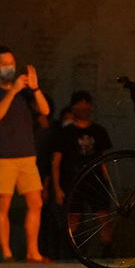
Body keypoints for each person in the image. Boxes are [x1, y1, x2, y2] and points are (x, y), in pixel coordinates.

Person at [0, 48, 51, 262]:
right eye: (4, 63)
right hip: (3, 154)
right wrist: (12, 91)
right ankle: (6, 253)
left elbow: (45, 110)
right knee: (4, 203)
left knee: (36, 202)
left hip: (26, 154)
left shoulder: (25, 90)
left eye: (12, 62)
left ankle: (33, 251)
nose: (9, 67)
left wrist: (36, 88)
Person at [48, 94, 112, 237]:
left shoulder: (99, 131)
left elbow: (103, 158)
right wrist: (57, 188)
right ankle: (71, 248)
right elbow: (56, 161)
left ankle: (107, 250)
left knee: (104, 215)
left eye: (86, 105)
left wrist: (107, 181)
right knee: (73, 215)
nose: (83, 108)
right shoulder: (64, 132)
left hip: (96, 179)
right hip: (72, 178)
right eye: (79, 105)